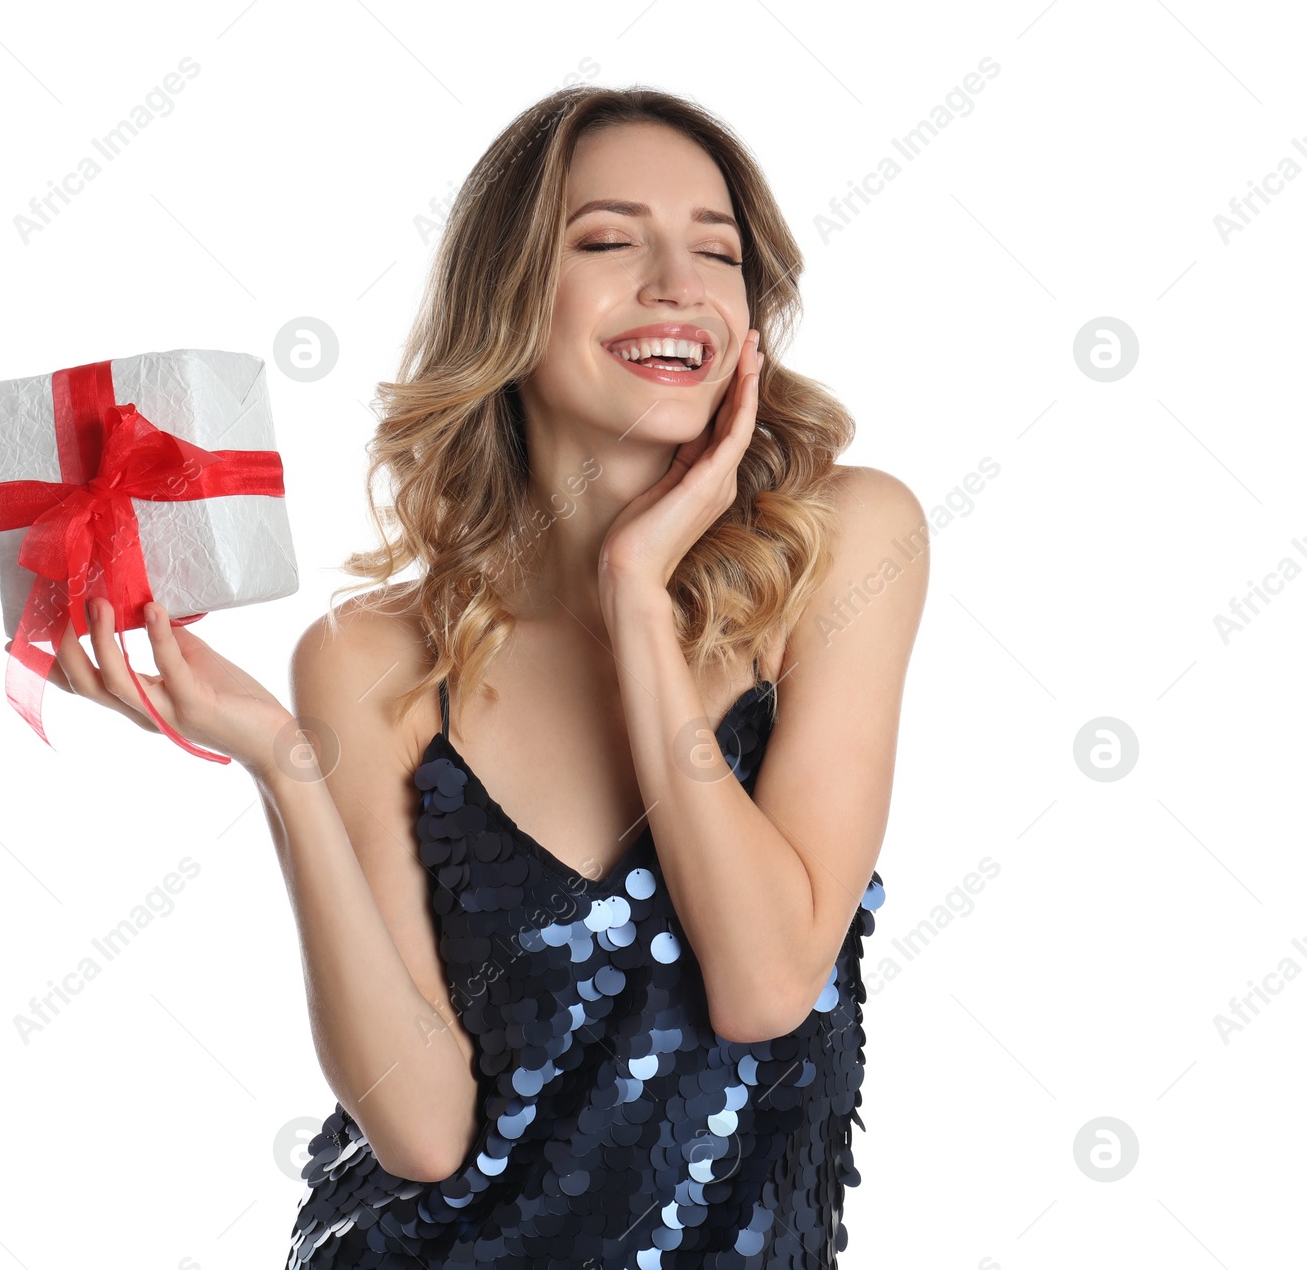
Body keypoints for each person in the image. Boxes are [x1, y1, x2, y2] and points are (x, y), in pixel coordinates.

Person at [46, 85, 929, 1267]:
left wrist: (633, 593)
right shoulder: (374, 659)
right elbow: (417, 1130)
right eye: (609, 240)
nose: (677, 281)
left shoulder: (845, 546)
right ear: (508, 299)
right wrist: (284, 767)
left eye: (715, 251)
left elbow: (765, 982)